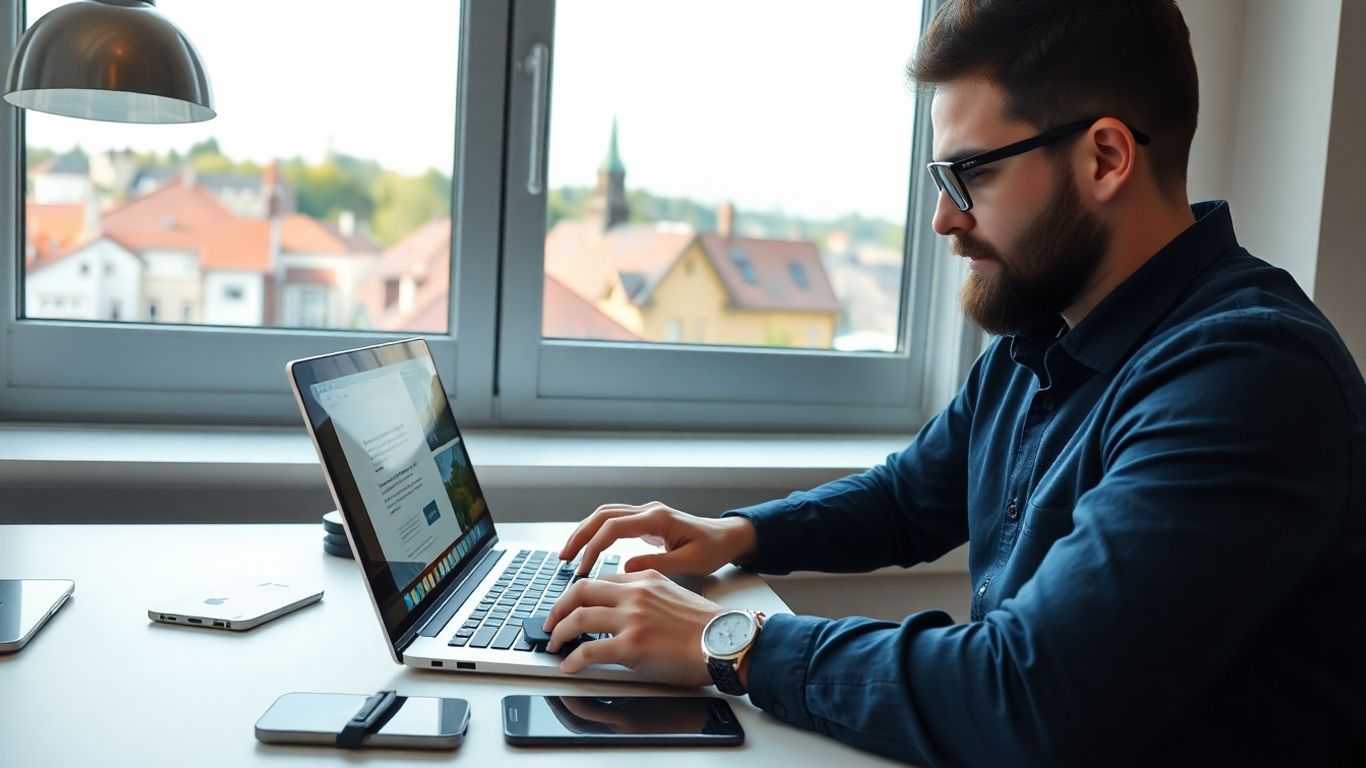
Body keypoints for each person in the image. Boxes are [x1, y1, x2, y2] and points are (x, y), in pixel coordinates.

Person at [541, 1, 1366, 764]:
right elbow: (910, 498)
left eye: (970, 173)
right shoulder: (1046, 328)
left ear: (1106, 157)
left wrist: (733, 641)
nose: (945, 217)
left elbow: (1030, 694)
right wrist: (735, 534)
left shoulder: (1248, 378)